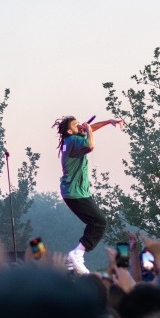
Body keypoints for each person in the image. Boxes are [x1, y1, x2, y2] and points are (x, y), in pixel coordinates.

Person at [53, 116, 122, 274]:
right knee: (100, 222)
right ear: (70, 130)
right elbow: (90, 145)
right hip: (74, 193)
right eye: (76, 125)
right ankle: (77, 253)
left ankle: (78, 253)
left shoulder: (72, 140)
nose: (80, 127)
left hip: (78, 192)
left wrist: (107, 121)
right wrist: (89, 130)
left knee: (96, 222)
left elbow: (90, 128)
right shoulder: (72, 141)